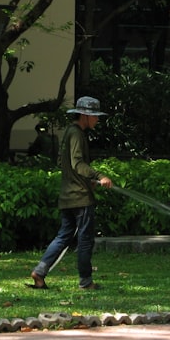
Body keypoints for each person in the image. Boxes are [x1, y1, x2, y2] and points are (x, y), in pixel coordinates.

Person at [28, 96, 113, 290]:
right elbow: (77, 163)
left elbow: (63, 163)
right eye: (94, 116)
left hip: (68, 195)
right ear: (84, 115)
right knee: (85, 241)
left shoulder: (69, 133)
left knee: (63, 237)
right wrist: (99, 176)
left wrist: (88, 180)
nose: (97, 120)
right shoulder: (77, 133)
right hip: (80, 199)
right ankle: (86, 281)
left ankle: (39, 272)